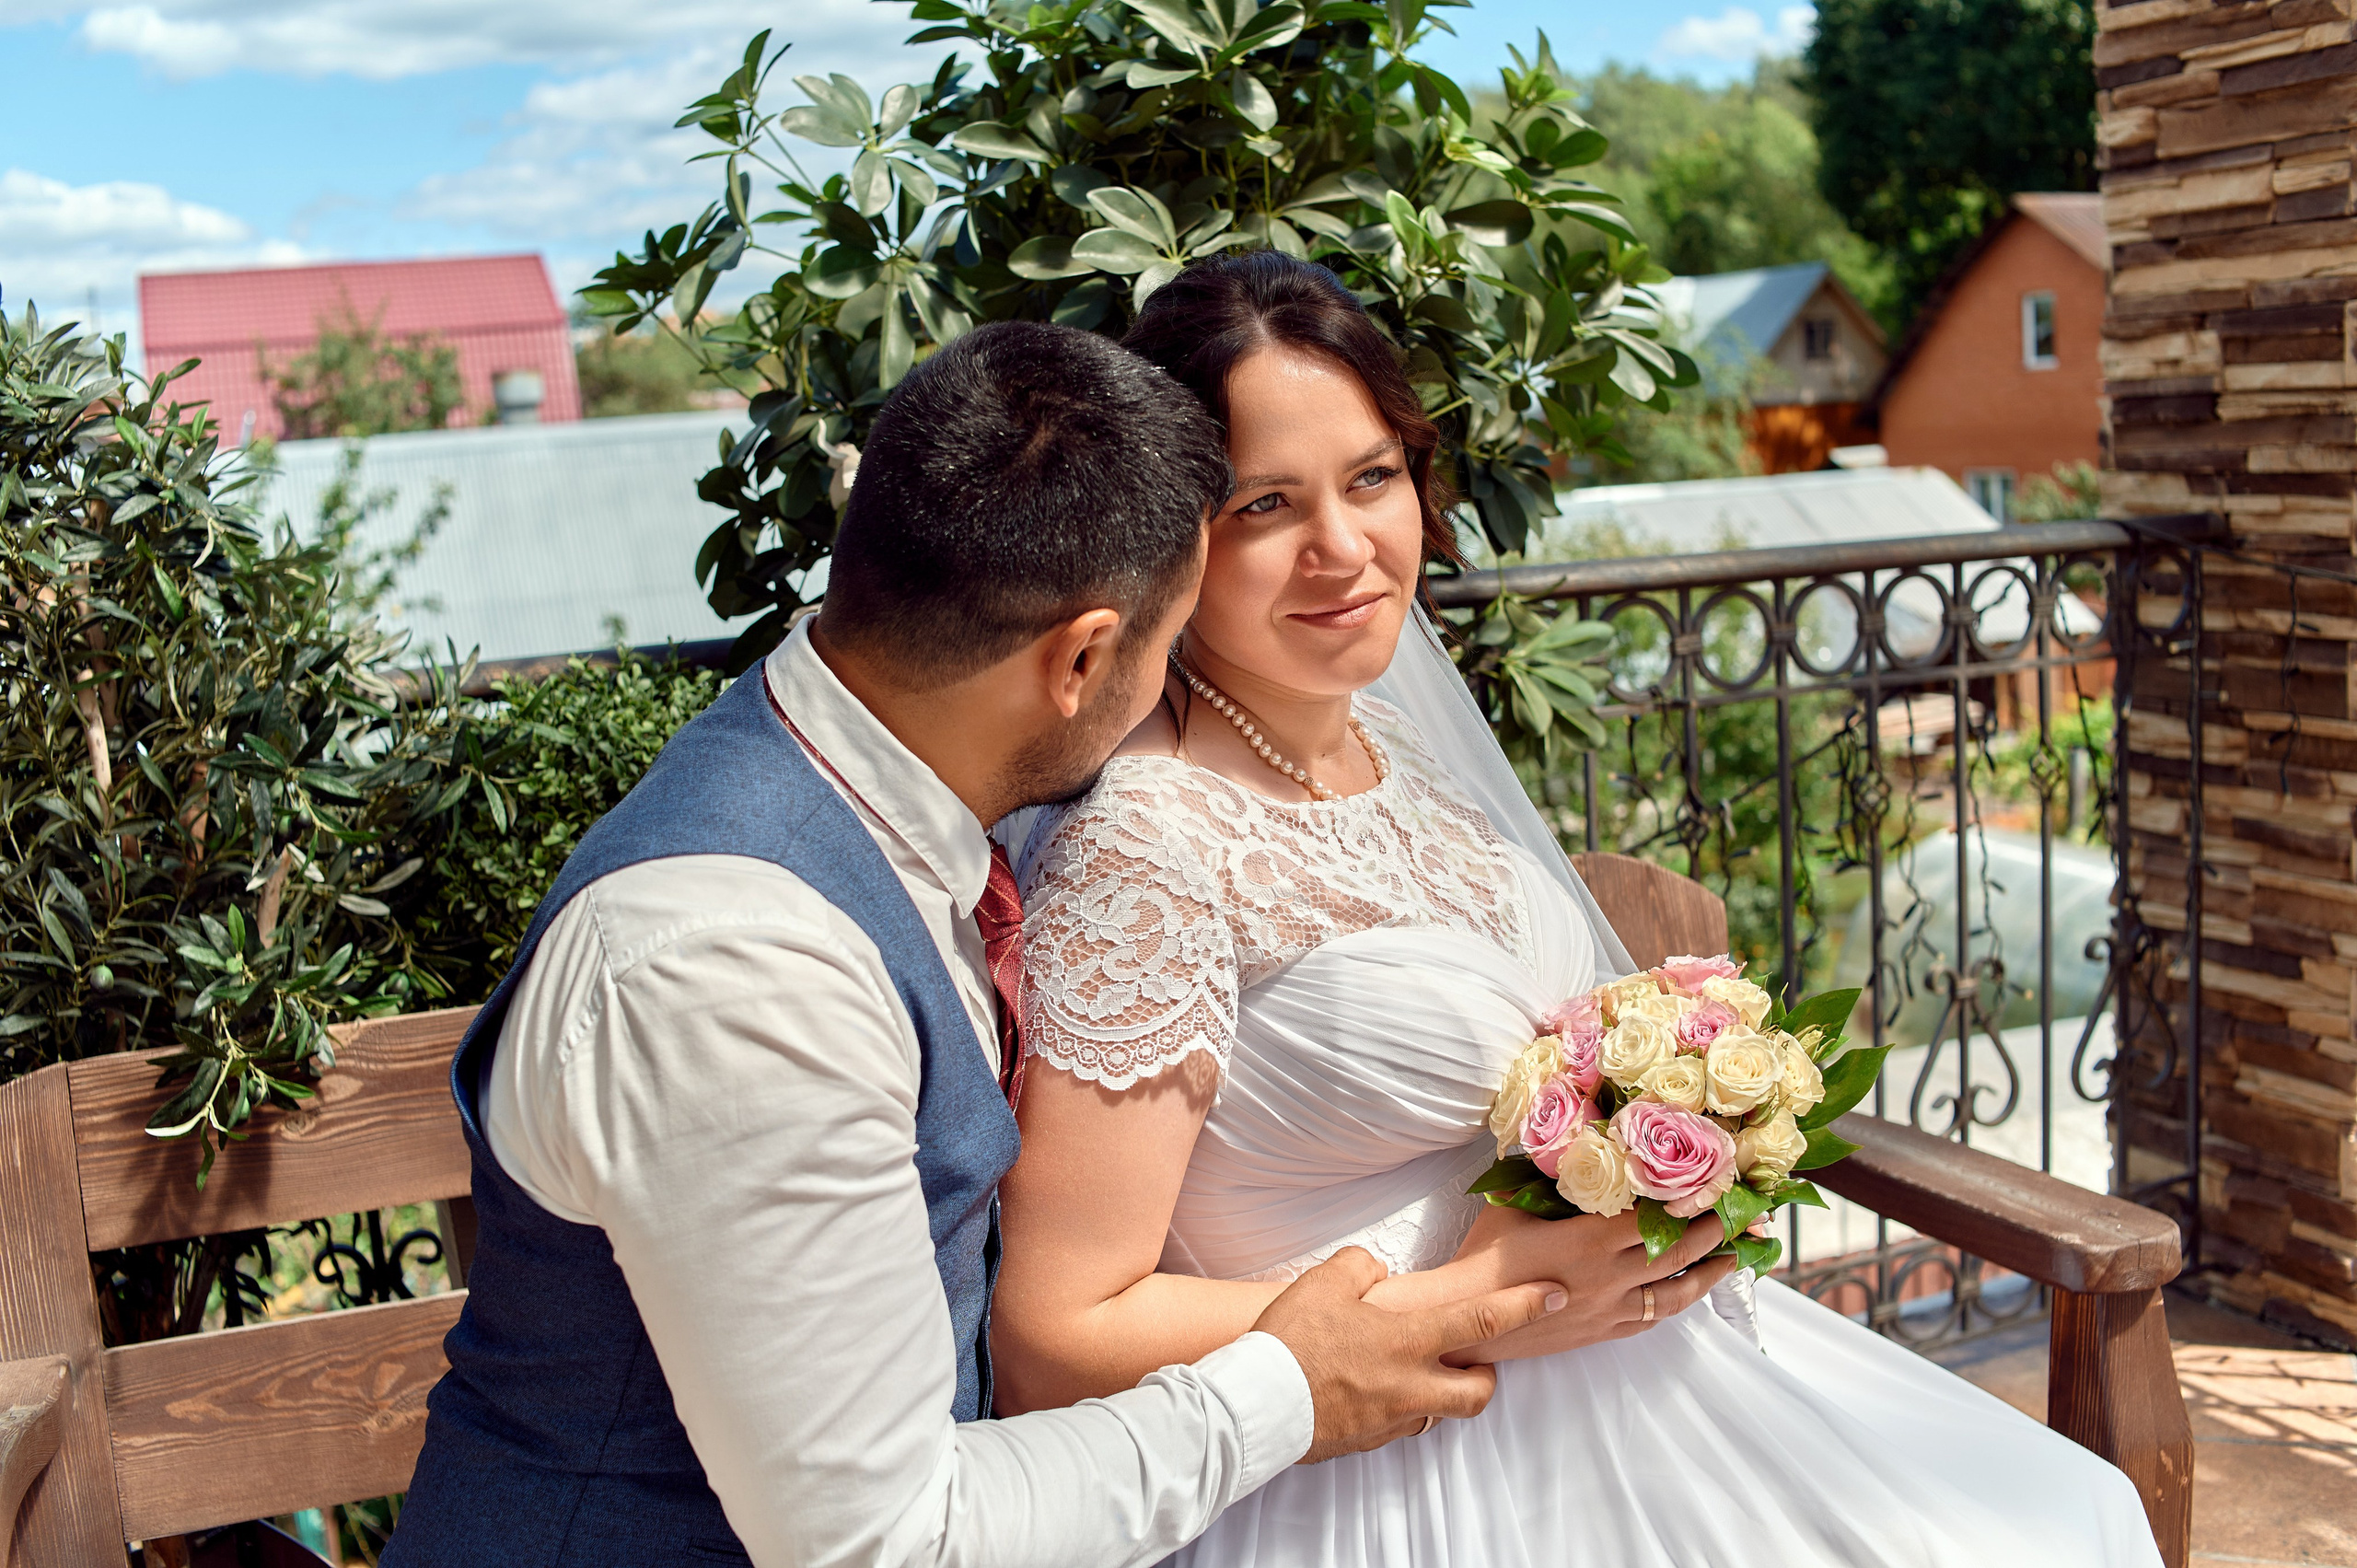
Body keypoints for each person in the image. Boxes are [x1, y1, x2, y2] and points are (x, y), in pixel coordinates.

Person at [995, 251, 2167, 1567]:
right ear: (1174, 538)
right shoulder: (1145, 851)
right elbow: (1053, 1341)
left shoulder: (1399, 742)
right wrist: (1475, 1304)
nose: (1343, 547)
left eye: (1372, 478)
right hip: (1396, 1472)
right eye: (1267, 503)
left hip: (1648, 1394)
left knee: (2058, 1519)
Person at [380, 320, 1579, 1568]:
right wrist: (1289, 1387)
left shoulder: (867, 800)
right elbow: (886, 1542)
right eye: (1168, 655)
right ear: (1081, 661)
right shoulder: (732, 969)